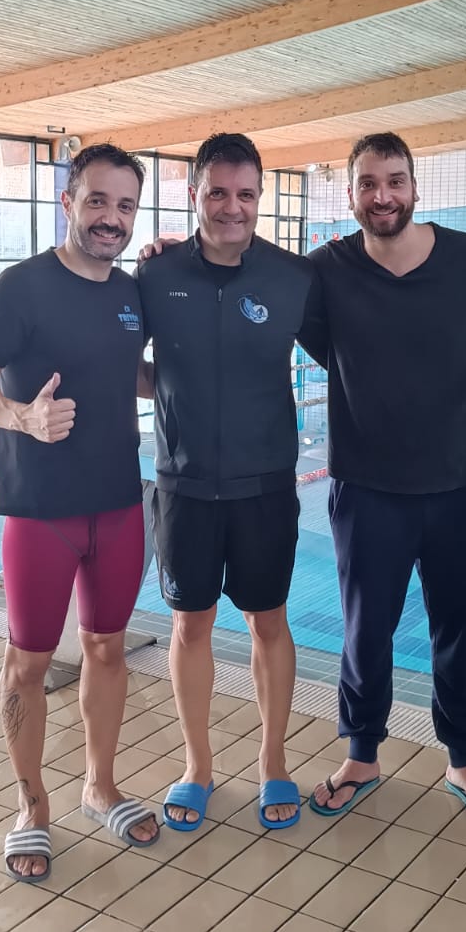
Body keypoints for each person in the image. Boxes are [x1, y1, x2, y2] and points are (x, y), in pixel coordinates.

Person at [300, 131, 466, 831]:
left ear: (415, 187)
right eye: (369, 183)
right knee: (363, 631)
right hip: (367, 490)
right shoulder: (326, 272)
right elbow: (252, 284)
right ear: (350, 195)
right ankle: (361, 755)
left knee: (460, 632)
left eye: (396, 181)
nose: (384, 195)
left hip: (463, 486)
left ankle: (463, 759)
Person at [0, 143, 159, 882]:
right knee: (27, 664)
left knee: (107, 650)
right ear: (67, 204)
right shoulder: (24, 287)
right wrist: (20, 418)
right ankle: (31, 805)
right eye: (97, 201)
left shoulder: (130, 293)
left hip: (117, 506)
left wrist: (190, 380)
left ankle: (99, 786)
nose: (111, 218)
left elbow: (132, 373)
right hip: (40, 512)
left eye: (125, 205)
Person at [138, 132, 319, 832]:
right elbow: (124, 357)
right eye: (218, 192)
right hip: (184, 487)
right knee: (190, 624)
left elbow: (356, 351)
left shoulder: (290, 277)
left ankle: (273, 762)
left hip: (265, 484)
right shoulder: (154, 275)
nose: (232, 207)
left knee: (268, 622)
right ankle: (198, 766)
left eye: (246, 194)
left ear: (260, 198)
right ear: (194, 195)